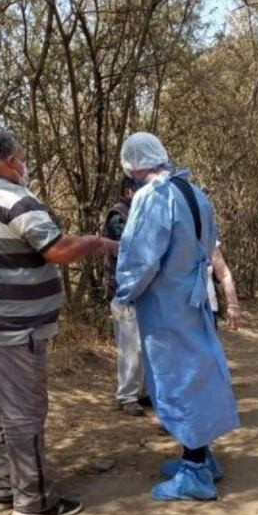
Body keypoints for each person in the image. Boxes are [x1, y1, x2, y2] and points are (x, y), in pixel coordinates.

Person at [0, 130, 118, 515]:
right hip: (13, 327)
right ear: (10, 160)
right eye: (22, 158)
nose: (25, 165)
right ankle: (35, 499)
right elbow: (57, 250)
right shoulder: (16, 199)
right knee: (25, 412)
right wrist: (95, 242)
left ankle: (2, 489)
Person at [114, 132, 240, 501]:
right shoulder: (192, 192)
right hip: (191, 298)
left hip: (167, 304)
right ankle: (201, 456)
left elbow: (141, 257)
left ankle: (195, 470)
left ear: (134, 163)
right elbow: (207, 246)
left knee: (181, 381)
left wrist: (124, 293)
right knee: (199, 374)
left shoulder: (152, 198)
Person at [103, 176, 148, 416]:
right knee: (132, 347)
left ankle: (143, 392)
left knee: (145, 345)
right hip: (124, 292)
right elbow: (127, 249)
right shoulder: (118, 215)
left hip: (142, 291)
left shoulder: (140, 213)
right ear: (130, 191)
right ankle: (127, 395)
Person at [209, 243, 242, 331]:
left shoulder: (207, 237)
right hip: (174, 312)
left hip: (207, 310)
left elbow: (224, 274)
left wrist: (233, 305)